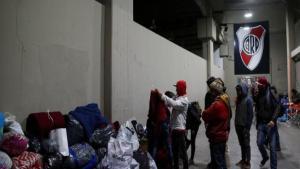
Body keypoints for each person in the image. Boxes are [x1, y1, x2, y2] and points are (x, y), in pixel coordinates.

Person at [156, 80, 189, 169]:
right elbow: (169, 102)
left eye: (177, 87)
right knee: (175, 152)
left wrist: (162, 96)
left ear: (181, 88)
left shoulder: (184, 101)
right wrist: (162, 98)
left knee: (182, 152)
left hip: (180, 130)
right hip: (174, 129)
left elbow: (174, 104)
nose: (176, 89)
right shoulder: (177, 97)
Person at [202, 78, 231, 169]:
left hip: (216, 136)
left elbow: (205, 115)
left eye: (212, 90)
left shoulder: (217, 104)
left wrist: (204, 112)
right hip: (222, 134)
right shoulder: (225, 100)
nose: (211, 92)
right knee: (221, 161)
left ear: (215, 91)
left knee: (219, 163)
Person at [253, 77, 279, 169]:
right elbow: (257, 104)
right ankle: (265, 157)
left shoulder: (271, 92)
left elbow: (277, 107)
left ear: (263, 85)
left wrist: (273, 120)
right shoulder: (259, 93)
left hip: (270, 125)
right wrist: (254, 94)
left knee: (272, 148)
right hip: (261, 123)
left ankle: (273, 167)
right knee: (259, 143)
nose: (258, 86)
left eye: (259, 85)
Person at [234, 83, 253, 169]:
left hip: (244, 126)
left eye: (239, 90)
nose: (238, 92)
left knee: (246, 144)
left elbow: (250, 115)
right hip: (238, 125)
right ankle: (243, 159)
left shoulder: (248, 100)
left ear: (244, 89)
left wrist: (247, 127)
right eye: (237, 90)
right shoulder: (238, 99)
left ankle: (248, 161)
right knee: (241, 144)